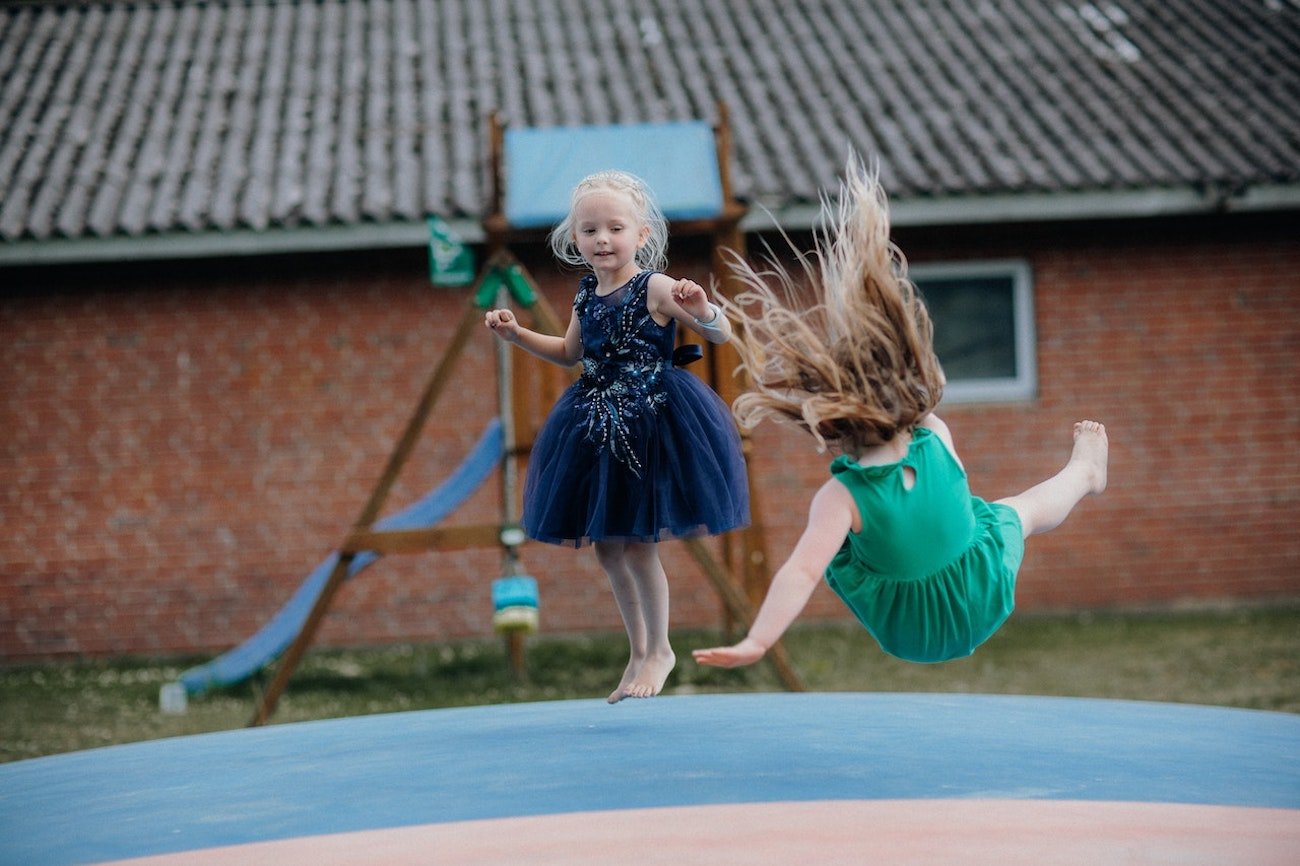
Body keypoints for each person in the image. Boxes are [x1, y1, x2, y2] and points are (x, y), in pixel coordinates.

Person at [692, 163, 1107, 670]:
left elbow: (801, 571)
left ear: (830, 421)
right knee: (1021, 511)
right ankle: (1084, 472)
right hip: (979, 590)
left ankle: (1080, 473)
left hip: (911, 627)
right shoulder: (936, 435)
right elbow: (924, 397)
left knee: (869, 542)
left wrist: (757, 642)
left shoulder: (840, 497)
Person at [486, 170, 750, 702]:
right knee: (609, 550)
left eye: (615, 228)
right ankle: (637, 651)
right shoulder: (586, 295)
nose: (602, 239)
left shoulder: (652, 286)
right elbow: (568, 353)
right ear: (574, 238)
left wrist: (701, 310)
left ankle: (661, 650)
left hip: (651, 422)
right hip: (597, 425)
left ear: (643, 234)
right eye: (589, 230)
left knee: (637, 546)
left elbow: (721, 333)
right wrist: (516, 336)